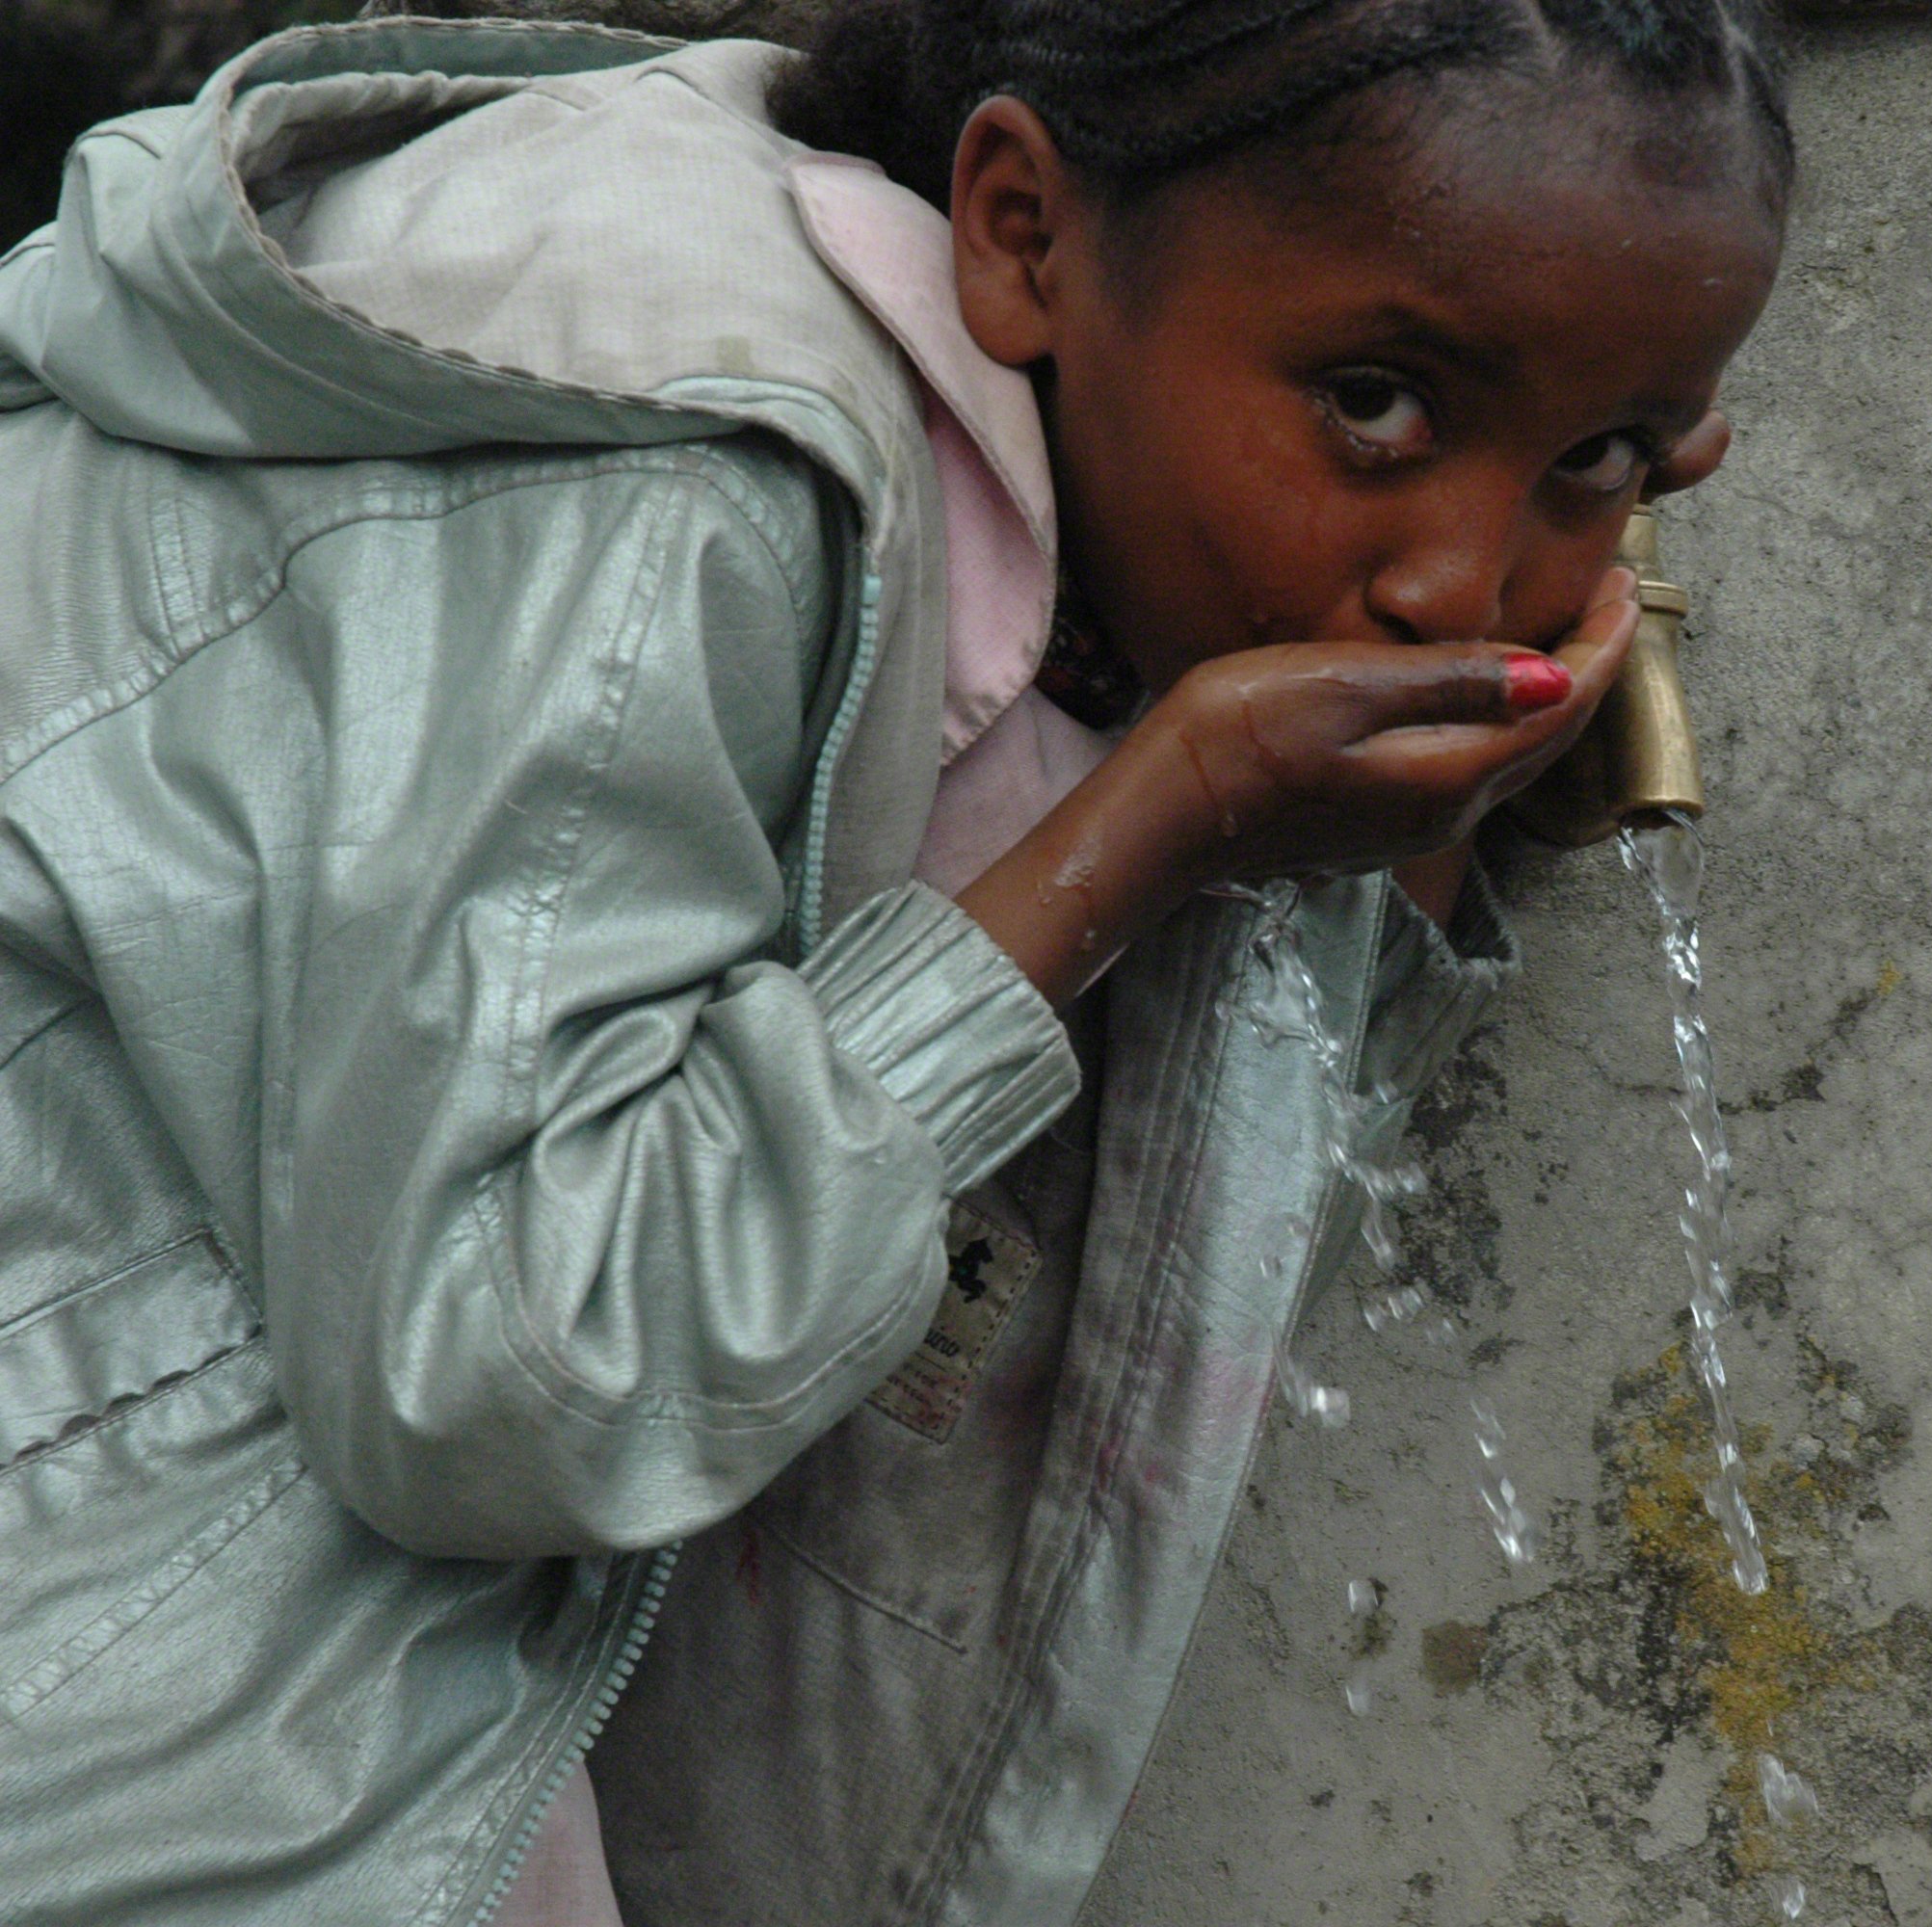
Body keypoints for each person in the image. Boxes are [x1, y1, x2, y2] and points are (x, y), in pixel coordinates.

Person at [0, 0, 1789, 1918]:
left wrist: (1389, 833)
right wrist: (1134, 838)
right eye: (1376, 404)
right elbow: (503, 1374)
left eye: (1594, 458)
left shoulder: (1123, 558)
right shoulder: (666, 489)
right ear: (1020, 230)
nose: (1459, 576)